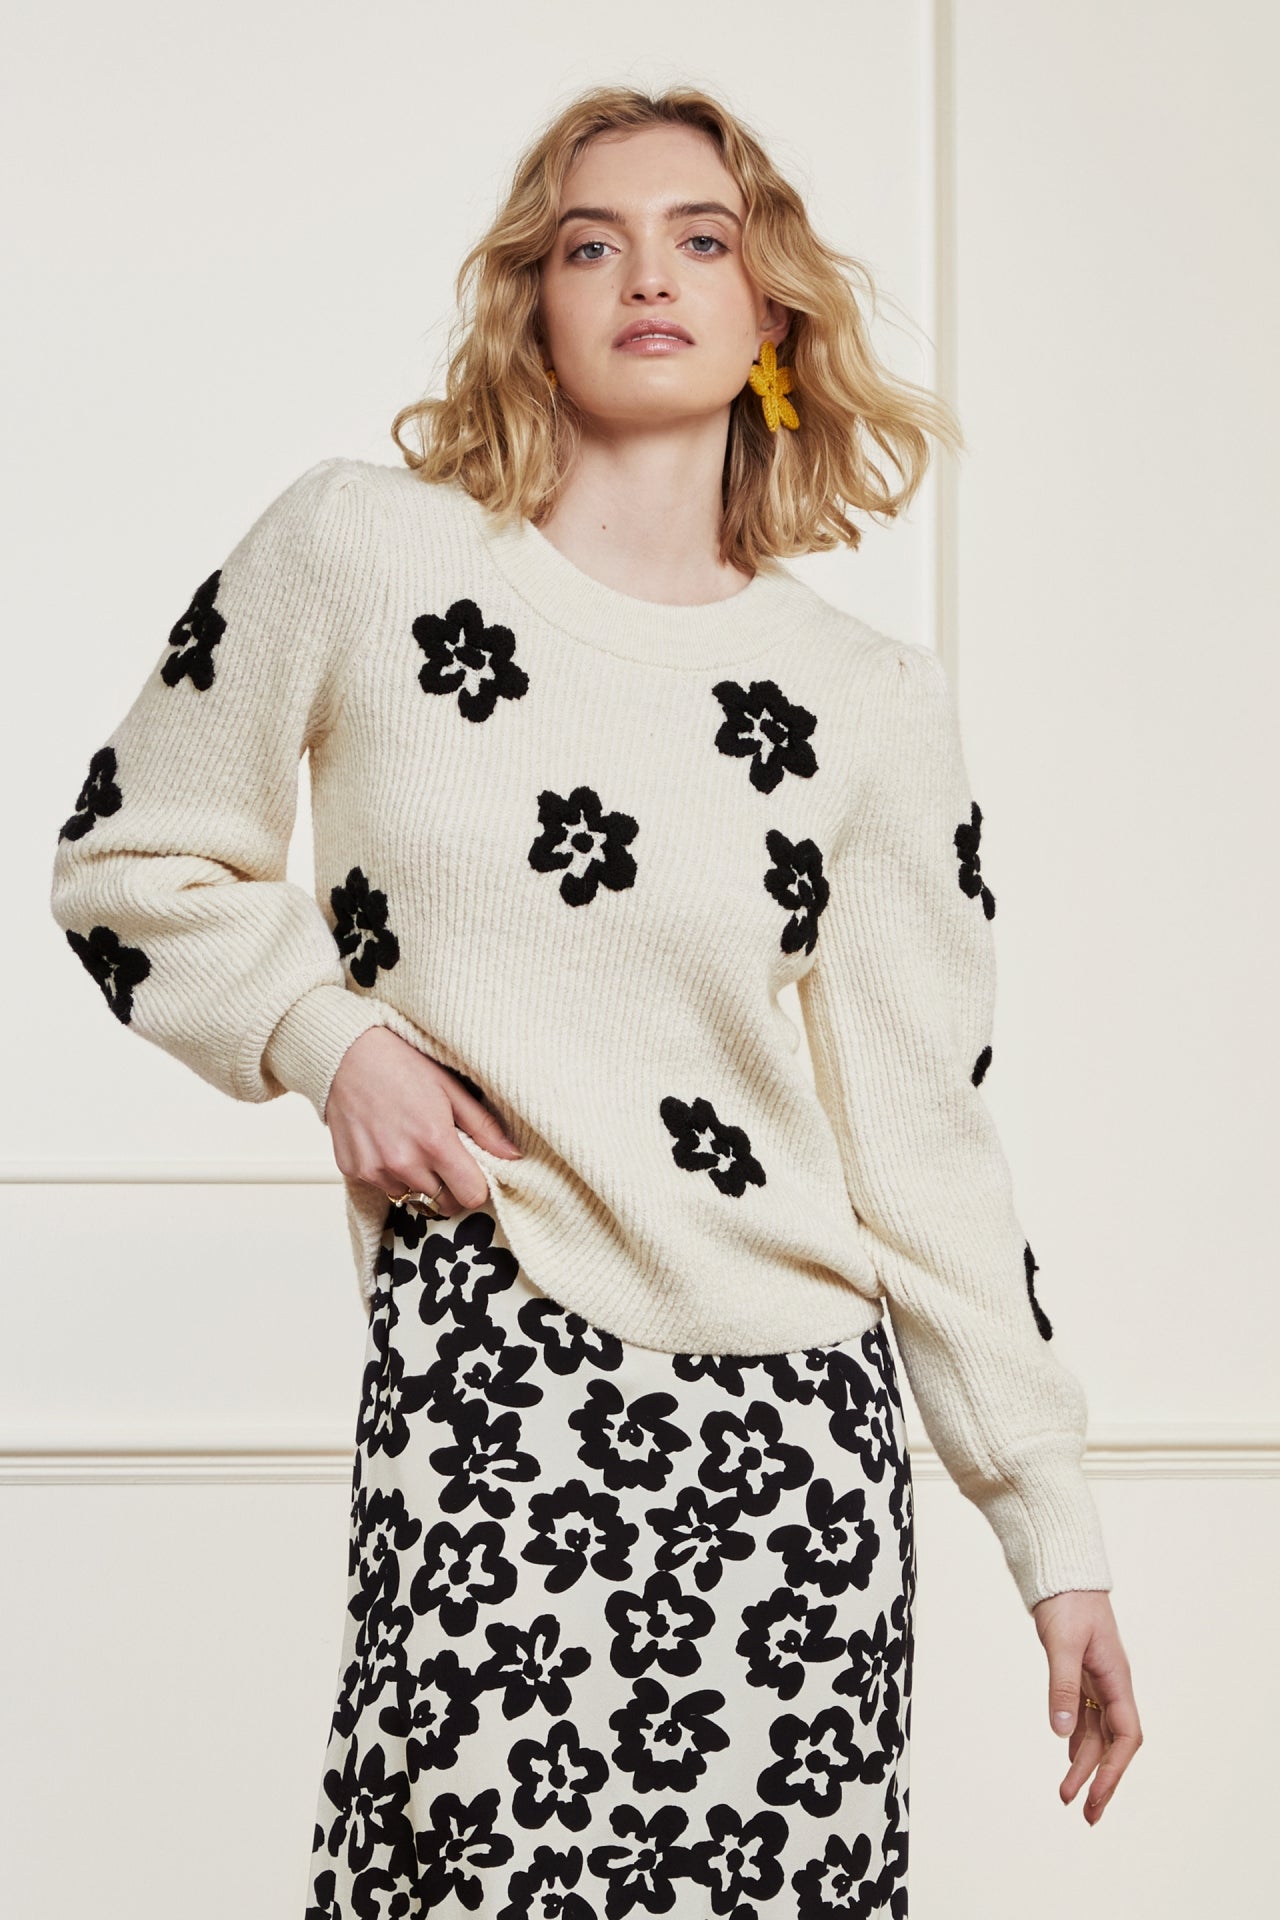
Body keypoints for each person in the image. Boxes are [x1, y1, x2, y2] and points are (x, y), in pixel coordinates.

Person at [50, 83, 1141, 1916]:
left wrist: (1058, 1536)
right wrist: (331, 1038)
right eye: (590, 243)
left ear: (769, 311)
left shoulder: (867, 700)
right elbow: (129, 861)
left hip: (794, 1456)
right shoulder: (360, 551)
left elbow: (924, 1148)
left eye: (700, 239)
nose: (648, 275)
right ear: (531, 304)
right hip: (492, 1382)